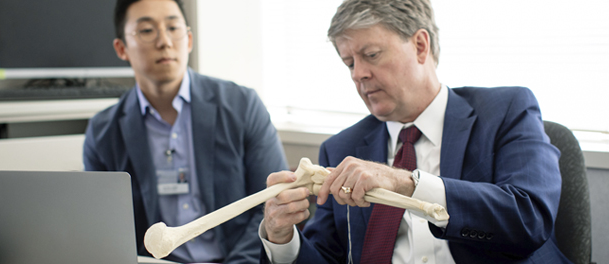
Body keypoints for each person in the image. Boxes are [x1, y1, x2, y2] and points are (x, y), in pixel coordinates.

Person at [260, 0, 572, 263]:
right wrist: (282, 238)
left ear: (420, 46)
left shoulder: (506, 110)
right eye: (348, 63)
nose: (358, 74)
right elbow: (326, 256)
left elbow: (529, 217)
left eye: (371, 55)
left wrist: (405, 183)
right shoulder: (342, 148)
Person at [83, 0, 288, 263]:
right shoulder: (103, 132)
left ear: (189, 39)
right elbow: (104, 228)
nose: (165, 41)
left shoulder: (242, 105)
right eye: (147, 31)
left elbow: (271, 203)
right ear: (121, 48)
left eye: (173, 27)